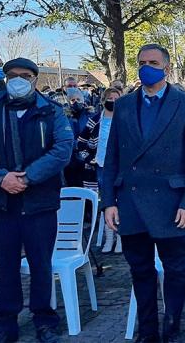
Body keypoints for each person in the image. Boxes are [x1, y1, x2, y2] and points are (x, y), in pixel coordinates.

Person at [101, 44, 185, 343]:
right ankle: (147, 331)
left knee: (174, 269)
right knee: (140, 270)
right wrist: (108, 201)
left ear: (166, 67)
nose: (147, 67)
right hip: (131, 202)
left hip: (171, 204)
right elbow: (112, 159)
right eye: (142, 62)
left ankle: (172, 327)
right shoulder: (122, 106)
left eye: (153, 62)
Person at [0, 57, 73, 343]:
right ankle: (6, 323)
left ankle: (45, 321)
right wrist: (1, 178)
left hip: (40, 202)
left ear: (35, 79)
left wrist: (27, 178)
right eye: (12, 75)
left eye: (25, 75)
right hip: (0, 202)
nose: (18, 79)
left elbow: (62, 149)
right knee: (5, 266)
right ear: (4, 78)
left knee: (41, 265)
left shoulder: (51, 111)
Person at [75, 87, 122, 253]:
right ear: (103, 100)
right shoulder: (95, 120)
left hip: (120, 167)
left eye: (116, 99)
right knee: (106, 202)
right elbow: (81, 141)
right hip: (100, 167)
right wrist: (88, 158)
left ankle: (120, 238)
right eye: (110, 98)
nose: (113, 102)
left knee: (121, 201)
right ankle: (109, 238)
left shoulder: (124, 120)